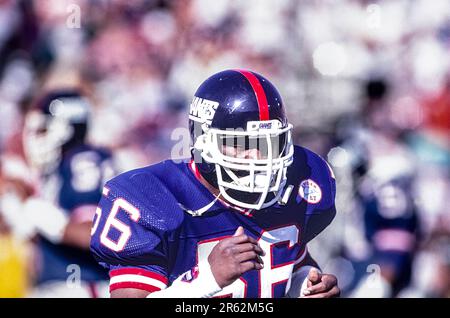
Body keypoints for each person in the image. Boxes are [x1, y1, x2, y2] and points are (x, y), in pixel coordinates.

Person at [90, 70, 340, 298]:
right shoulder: (151, 197)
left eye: (268, 143)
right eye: (241, 144)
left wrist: (304, 284)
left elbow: (290, 260)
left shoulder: (296, 184)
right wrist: (205, 281)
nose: (258, 157)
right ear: (204, 142)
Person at [0, 89, 115, 297]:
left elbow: (95, 234)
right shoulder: (56, 171)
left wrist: (43, 215)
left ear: (65, 128)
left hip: (80, 286)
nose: (33, 138)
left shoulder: (83, 160)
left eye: (43, 129)